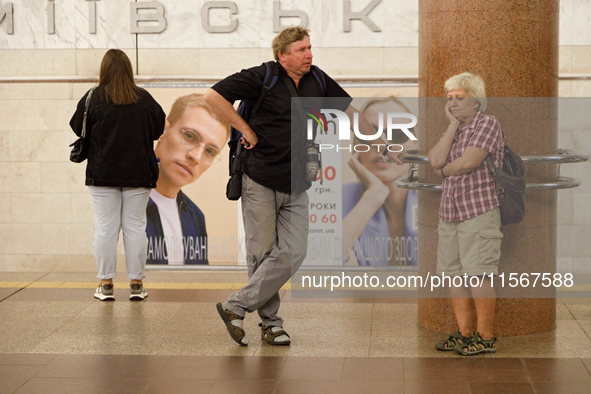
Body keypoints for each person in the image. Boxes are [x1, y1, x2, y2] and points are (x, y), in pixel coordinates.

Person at [204, 27, 403, 346]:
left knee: (295, 250)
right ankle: (271, 324)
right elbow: (213, 97)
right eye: (300, 50)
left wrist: (379, 142)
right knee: (262, 252)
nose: (309, 54)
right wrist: (245, 130)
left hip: (297, 180)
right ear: (282, 56)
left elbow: (350, 112)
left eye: (310, 48)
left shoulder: (318, 80)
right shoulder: (262, 77)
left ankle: (235, 306)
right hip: (260, 177)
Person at [70, 49, 165, 301]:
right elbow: (159, 128)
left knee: (105, 229)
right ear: (128, 70)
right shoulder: (144, 99)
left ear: (104, 70)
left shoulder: (92, 97)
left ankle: (106, 284)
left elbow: (76, 126)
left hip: (102, 173)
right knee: (135, 227)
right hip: (139, 172)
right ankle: (136, 285)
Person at [428, 72, 504, 355]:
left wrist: (445, 171)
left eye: (459, 99)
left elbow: (467, 163)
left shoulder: (487, 123)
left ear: (476, 101)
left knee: (478, 275)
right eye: (449, 99)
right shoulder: (456, 129)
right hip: (449, 213)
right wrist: (451, 126)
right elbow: (434, 160)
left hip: (479, 211)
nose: (453, 104)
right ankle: (464, 333)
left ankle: (485, 337)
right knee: (454, 276)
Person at [146, 94, 230, 265]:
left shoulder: (196, 217)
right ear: (163, 129)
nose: (196, 157)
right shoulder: (122, 203)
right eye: (190, 136)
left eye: (210, 151)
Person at [342, 97, 418, 266]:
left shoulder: (438, 201)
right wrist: (373, 196)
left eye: (398, 132)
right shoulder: (338, 199)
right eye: (368, 133)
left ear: (415, 143)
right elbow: (318, 265)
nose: (382, 145)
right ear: (356, 146)